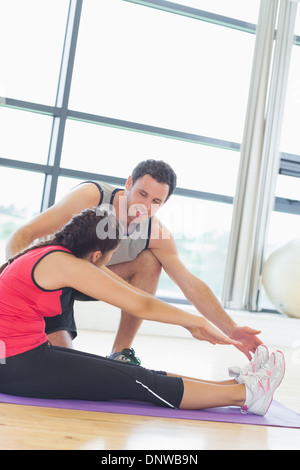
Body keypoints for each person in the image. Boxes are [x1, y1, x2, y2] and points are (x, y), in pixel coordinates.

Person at [0, 209, 285, 415]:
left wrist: (191, 322)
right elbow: (141, 305)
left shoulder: (51, 252)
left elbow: (135, 295)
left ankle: (233, 385)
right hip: (18, 367)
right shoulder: (66, 265)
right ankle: (246, 395)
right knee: (137, 382)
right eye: (111, 256)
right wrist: (194, 322)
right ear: (97, 255)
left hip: (23, 358)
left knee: (129, 370)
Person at [5, 159, 262, 363]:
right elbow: (23, 235)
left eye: (155, 201)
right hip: (54, 279)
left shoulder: (156, 233)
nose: (144, 205)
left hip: (94, 279)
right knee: (61, 359)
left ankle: (121, 352)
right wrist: (12, 279)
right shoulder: (91, 197)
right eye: (141, 193)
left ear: (164, 203)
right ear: (129, 183)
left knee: (150, 261)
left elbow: (190, 284)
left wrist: (231, 329)